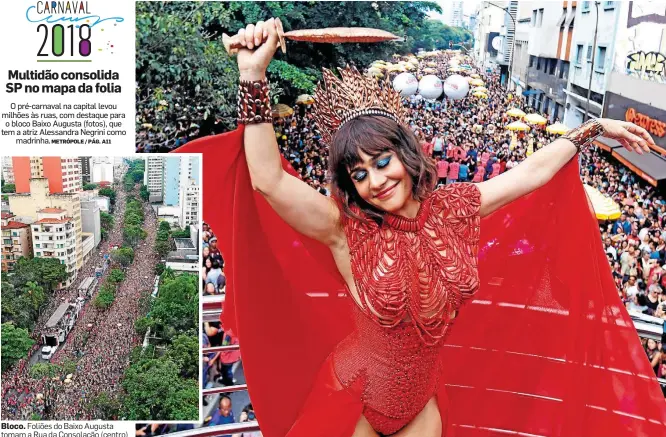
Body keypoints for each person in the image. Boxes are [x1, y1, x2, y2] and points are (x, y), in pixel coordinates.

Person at [176, 18, 663, 437]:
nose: (375, 181)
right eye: (358, 173)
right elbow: (266, 179)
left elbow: (531, 174)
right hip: (353, 399)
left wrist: (593, 129)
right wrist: (251, 75)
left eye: (382, 160)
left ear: (406, 156)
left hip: (420, 403)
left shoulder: (455, 208)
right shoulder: (343, 229)